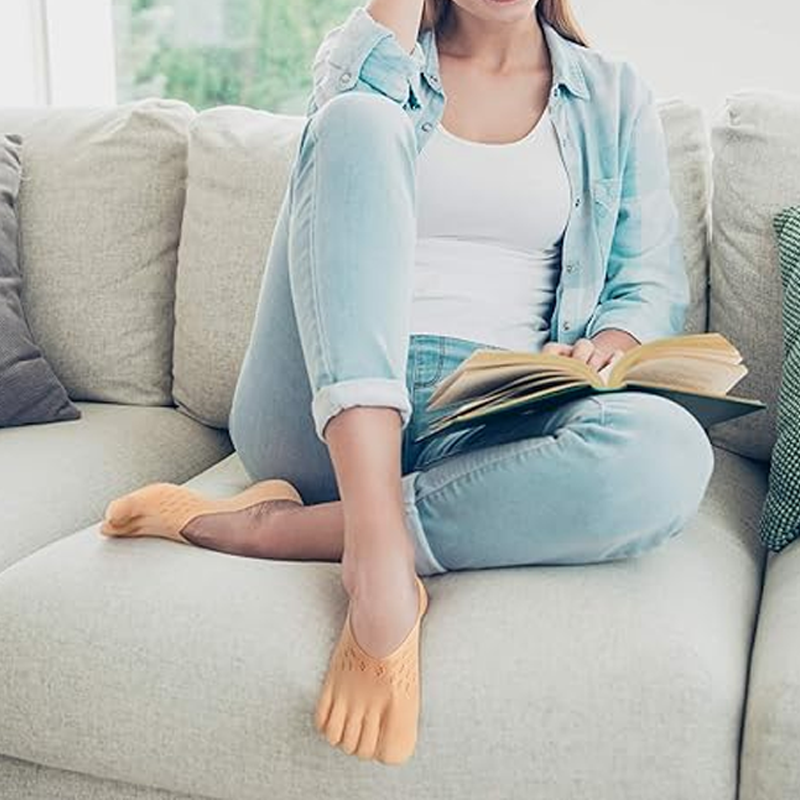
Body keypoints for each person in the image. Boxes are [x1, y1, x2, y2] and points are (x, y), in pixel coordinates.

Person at [98, 0, 714, 767]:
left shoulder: (613, 96)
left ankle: (294, 531)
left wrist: (608, 345)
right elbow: (342, 120)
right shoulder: (382, 68)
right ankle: (380, 565)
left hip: (487, 419)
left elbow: (647, 285)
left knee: (668, 456)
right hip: (321, 412)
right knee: (357, 120)